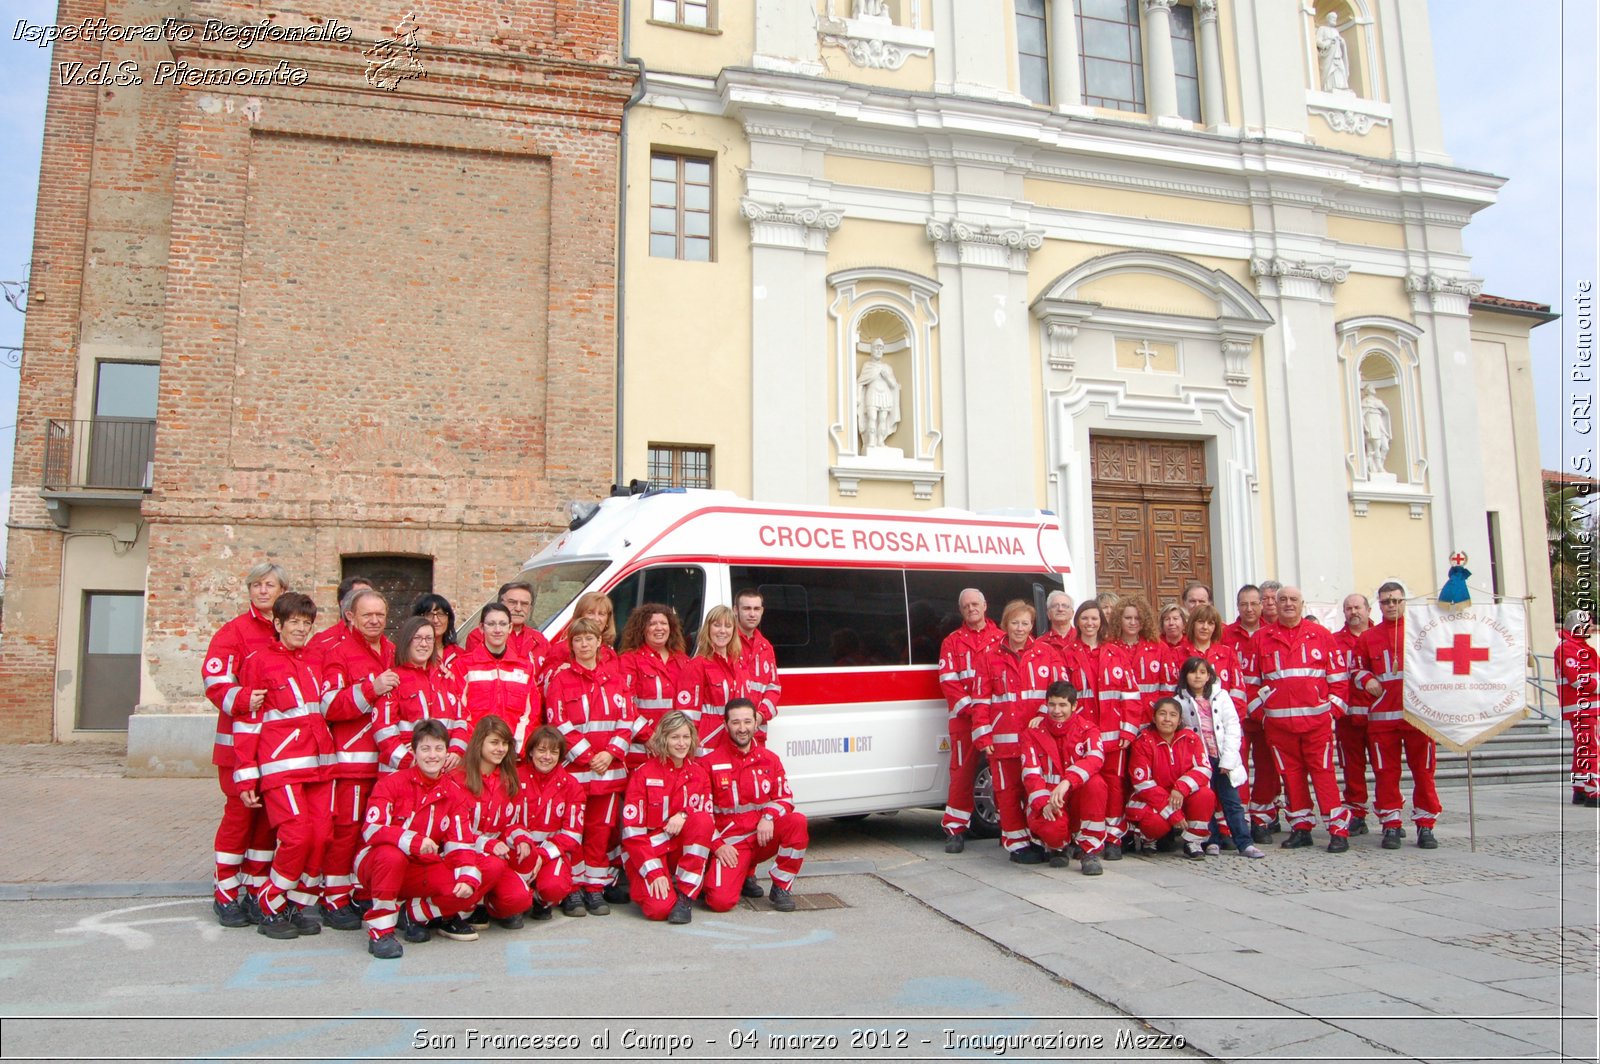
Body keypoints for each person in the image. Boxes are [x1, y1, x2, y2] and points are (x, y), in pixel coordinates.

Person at [232, 591, 336, 938]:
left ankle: (295, 902)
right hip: (282, 766)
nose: (300, 629)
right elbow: (247, 722)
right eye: (294, 622)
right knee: (296, 837)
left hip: (319, 766)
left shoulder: (314, 659)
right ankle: (269, 903)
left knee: (322, 837)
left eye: (306, 623)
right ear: (277, 624)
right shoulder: (259, 662)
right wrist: (246, 776)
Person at [355, 720, 487, 959]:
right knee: (391, 855)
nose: (432, 755)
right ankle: (381, 932)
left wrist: (468, 877)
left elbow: (461, 843)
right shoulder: (391, 783)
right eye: (425, 749)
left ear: (447, 752)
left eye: (438, 749)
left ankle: (411, 914)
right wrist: (412, 840)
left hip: (420, 867)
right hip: (377, 866)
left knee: (468, 888)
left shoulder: (453, 794)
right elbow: (372, 830)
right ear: (414, 751)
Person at [202, 561, 288, 926]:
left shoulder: (287, 631)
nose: (263, 591)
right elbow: (214, 680)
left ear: (282, 591)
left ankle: (254, 889)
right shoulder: (234, 632)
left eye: (270, 585)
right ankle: (225, 890)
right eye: (257, 585)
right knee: (239, 818)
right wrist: (241, 699)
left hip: (275, 751)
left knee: (267, 823)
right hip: (237, 750)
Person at [1249, 586, 1351, 852]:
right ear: (1273, 605)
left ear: (1302, 604)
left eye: (1293, 599)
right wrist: (1263, 716)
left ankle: (1337, 829)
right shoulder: (1261, 638)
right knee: (1290, 778)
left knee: (1324, 776)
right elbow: (1250, 683)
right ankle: (1301, 827)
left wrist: (1332, 714)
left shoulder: (1321, 635)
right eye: (1282, 600)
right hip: (1279, 727)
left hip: (1317, 725)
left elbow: (1339, 681)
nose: (1287, 604)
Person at [545, 618, 634, 914]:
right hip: (576, 773)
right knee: (574, 831)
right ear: (571, 645)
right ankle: (572, 889)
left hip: (608, 773)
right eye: (578, 640)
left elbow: (626, 721)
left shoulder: (616, 680)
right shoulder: (560, 680)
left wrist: (609, 754)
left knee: (600, 831)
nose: (584, 645)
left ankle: (595, 889)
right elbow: (559, 722)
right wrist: (588, 755)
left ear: (600, 643)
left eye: (589, 639)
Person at [319, 588, 397, 924]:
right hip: (352, 764)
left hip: (386, 764)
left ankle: (363, 892)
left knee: (375, 831)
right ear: (351, 616)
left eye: (380, 614)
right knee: (346, 832)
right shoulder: (339, 653)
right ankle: (334, 898)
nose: (375, 620)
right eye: (368, 615)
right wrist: (371, 689)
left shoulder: (393, 650)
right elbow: (329, 706)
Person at [971, 600, 1068, 863]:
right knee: (1007, 792)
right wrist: (983, 734)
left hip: (1038, 740)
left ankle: (1039, 838)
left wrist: (1042, 715)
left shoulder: (1047, 654)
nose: (1020, 628)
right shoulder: (989, 657)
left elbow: (1060, 692)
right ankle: (1016, 843)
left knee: (1037, 790)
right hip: (1003, 740)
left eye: (1025, 623)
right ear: (1005, 624)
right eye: (1015, 623)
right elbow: (980, 700)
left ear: (1032, 625)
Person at [1351, 583, 1441, 849]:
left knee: (1423, 773)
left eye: (1395, 601)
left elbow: (1439, 664)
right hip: (1382, 719)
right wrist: (1366, 679)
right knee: (1385, 773)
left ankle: (1426, 825)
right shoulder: (1368, 637)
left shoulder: (1423, 633)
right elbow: (1356, 668)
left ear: (1404, 602)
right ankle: (1391, 824)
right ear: (1378, 605)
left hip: (1417, 717)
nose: (1391, 606)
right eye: (1386, 602)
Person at [701, 699, 808, 912]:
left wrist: (768, 817)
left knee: (797, 822)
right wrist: (718, 846)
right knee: (719, 903)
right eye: (736, 722)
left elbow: (785, 798)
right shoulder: (709, 763)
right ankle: (735, 874)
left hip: (761, 837)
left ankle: (781, 886)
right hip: (731, 845)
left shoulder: (770, 759)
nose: (742, 728)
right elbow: (701, 814)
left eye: (748, 722)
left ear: (755, 723)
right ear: (725, 725)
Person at [620, 710, 715, 925]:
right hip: (646, 851)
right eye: (674, 737)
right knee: (658, 910)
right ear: (663, 739)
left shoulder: (699, 774)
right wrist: (654, 872)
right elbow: (632, 834)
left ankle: (685, 895)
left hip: (677, 848)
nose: (681, 743)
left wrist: (684, 814)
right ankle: (663, 886)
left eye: (685, 737)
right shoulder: (643, 773)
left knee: (702, 821)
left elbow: (705, 819)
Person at [1173, 657, 1262, 858]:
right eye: (1193, 672)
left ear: (1209, 676)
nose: (1198, 676)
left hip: (1221, 756)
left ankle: (1244, 842)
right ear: (1185, 675)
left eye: (1202, 672)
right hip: (1200, 761)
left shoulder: (1221, 696)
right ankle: (1211, 840)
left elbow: (1232, 726)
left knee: (1232, 801)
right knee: (1207, 801)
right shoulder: (1179, 701)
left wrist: (1229, 759)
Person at [936, 588, 1004, 852]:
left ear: (985, 605)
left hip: (996, 720)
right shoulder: (951, 642)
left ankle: (1009, 828)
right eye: (966, 606)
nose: (971, 609)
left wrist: (987, 713)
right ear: (960, 609)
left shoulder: (1001, 639)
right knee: (962, 775)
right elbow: (948, 682)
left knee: (1001, 774)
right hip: (964, 720)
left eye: (975, 604)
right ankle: (955, 829)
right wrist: (975, 711)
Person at [454, 715, 534, 932]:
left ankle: (485, 904)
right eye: (494, 742)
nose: (500, 749)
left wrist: (520, 837)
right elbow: (453, 831)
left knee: (520, 899)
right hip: (462, 855)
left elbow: (512, 821)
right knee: (492, 865)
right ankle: (452, 911)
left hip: (494, 856)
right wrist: (486, 845)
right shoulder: (457, 778)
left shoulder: (508, 777)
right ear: (479, 743)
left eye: (505, 743)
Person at [1020, 680, 1108, 874]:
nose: (1057, 710)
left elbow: (1095, 758)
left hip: (1075, 797)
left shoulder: (1088, 729)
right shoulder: (1032, 733)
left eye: (1062, 705)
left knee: (1096, 784)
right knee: (1053, 830)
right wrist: (1044, 804)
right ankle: (1057, 847)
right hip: (1049, 801)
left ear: (1074, 706)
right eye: (1052, 704)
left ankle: (1089, 850)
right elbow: (1031, 775)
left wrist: (1068, 781)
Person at [1073, 601, 1138, 860]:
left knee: (1113, 786)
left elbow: (1131, 695)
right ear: (1078, 622)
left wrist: (1128, 731)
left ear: (1102, 622)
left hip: (1113, 736)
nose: (1090, 623)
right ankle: (1084, 837)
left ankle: (1113, 837)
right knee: (1084, 786)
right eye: (1085, 618)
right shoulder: (1067, 654)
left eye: (1094, 618)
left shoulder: (1116, 653)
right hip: (1081, 737)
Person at [1222, 584, 1281, 839]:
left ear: (1262, 605)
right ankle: (1241, 818)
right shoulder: (1225, 635)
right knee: (1237, 766)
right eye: (1244, 604)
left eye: (1253, 604)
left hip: (1267, 714)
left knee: (1267, 768)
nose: (1249, 609)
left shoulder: (1273, 634)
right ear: (1237, 606)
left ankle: (1262, 817)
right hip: (1235, 715)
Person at [1125, 697, 1216, 860]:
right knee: (1155, 823)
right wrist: (1172, 813)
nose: (1167, 719)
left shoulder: (1190, 738)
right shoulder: (1143, 741)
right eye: (1162, 714)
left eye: (1173, 715)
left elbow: (1204, 768)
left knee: (1205, 795)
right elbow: (1142, 783)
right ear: (1154, 718)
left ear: (1180, 719)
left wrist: (1181, 787)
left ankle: (1193, 841)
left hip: (1179, 794)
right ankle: (1149, 839)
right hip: (1151, 798)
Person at [376, 616, 466, 775]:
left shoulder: (444, 678)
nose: (423, 644)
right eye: (417, 638)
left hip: (441, 772)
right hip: (401, 773)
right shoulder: (394, 679)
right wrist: (408, 760)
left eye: (428, 638)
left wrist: (456, 751)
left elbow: (461, 720)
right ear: (406, 641)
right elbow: (383, 729)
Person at [516, 725, 587, 919]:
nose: (547, 757)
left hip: (551, 853)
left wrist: (541, 855)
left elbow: (572, 835)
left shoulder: (571, 785)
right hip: (518, 852)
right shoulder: (514, 778)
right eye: (541, 750)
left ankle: (540, 899)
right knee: (511, 900)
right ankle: (518, 899)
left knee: (553, 888)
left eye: (554, 752)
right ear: (530, 751)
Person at [455, 603, 541, 755]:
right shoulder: (463, 665)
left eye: (502, 624)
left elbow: (531, 714)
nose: (497, 630)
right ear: (481, 628)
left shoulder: (525, 668)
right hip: (475, 754)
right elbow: (458, 711)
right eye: (491, 624)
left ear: (509, 628)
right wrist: (477, 746)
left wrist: (515, 748)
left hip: (512, 755)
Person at [618, 603, 692, 771]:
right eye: (652, 624)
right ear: (642, 629)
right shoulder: (629, 660)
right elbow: (625, 705)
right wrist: (647, 736)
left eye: (663, 623)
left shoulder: (683, 660)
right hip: (644, 749)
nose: (659, 628)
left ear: (671, 627)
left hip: (677, 748)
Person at [1331, 592, 1376, 835]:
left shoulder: (1380, 637)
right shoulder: (1335, 641)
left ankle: (1391, 815)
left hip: (1378, 715)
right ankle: (1357, 813)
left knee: (1385, 768)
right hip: (1348, 717)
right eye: (1348, 608)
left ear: (1368, 610)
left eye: (1358, 607)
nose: (1353, 612)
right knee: (1352, 768)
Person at [680, 604, 749, 748]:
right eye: (717, 625)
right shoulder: (697, 665)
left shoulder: (739, 664)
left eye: (728, 626)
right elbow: (686, 714)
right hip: (708, 743)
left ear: (734, 631)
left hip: (737, 741)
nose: (723, 631)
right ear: (708, 629)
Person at [1557, 609, 1599, 807]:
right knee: (1591, 748)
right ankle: (1593, 791)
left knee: (1583, 749)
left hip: (1585, 707)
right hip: (1583, 707)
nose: (1591, 627)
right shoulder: (1568, 648)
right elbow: (1576, 679)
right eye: (1588, 624)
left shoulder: (1579, 647)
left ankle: (1580, 789)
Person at [463, 581, 550, 672]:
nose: (518, 609)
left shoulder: (540, 639)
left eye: (524, 604)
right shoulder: (480, 635)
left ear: (530, 609)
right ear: (500, 604)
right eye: (512, 602)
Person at [734, 589, 783, 736]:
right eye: (746, 608)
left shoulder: (766, 647)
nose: (752, 614)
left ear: (762, 611)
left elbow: (773, 688)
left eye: (756, 609)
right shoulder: (727, 642)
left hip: (757, 733)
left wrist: (760, 716)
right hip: (729, 731)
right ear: (735, 610)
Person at [542, 591, 619, 679]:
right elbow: (542, 687)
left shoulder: (610, 654)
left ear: (607, 621)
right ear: (579, 616)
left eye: (601, 614)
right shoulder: (561, 649)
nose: (596, 619)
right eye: (590, 613)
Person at [308, 575, 371, 662]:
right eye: (360, 597)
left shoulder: (385, 644)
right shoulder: (322, 642)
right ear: (344, 603)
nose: (370, 602)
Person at [412, 592, 462, 681]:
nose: (435, 620)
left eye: (441, 614)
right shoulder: (411, 654)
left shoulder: (459, 654)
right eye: (429, 615)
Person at [1316, 12, 1350, 93]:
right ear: (1328, 19)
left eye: (1335, 18)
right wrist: (1328, 44)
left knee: (1340, 70)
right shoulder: (1322, 29)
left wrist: (1341, 41)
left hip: (1337, 56)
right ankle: (1329, 87)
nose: (1334, 20)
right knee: (1330, 71)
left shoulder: (1336, 31)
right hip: (1328, 56)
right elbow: (1317, 41)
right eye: (1332, 18)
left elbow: (1341, 43)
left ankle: (1340, 87)